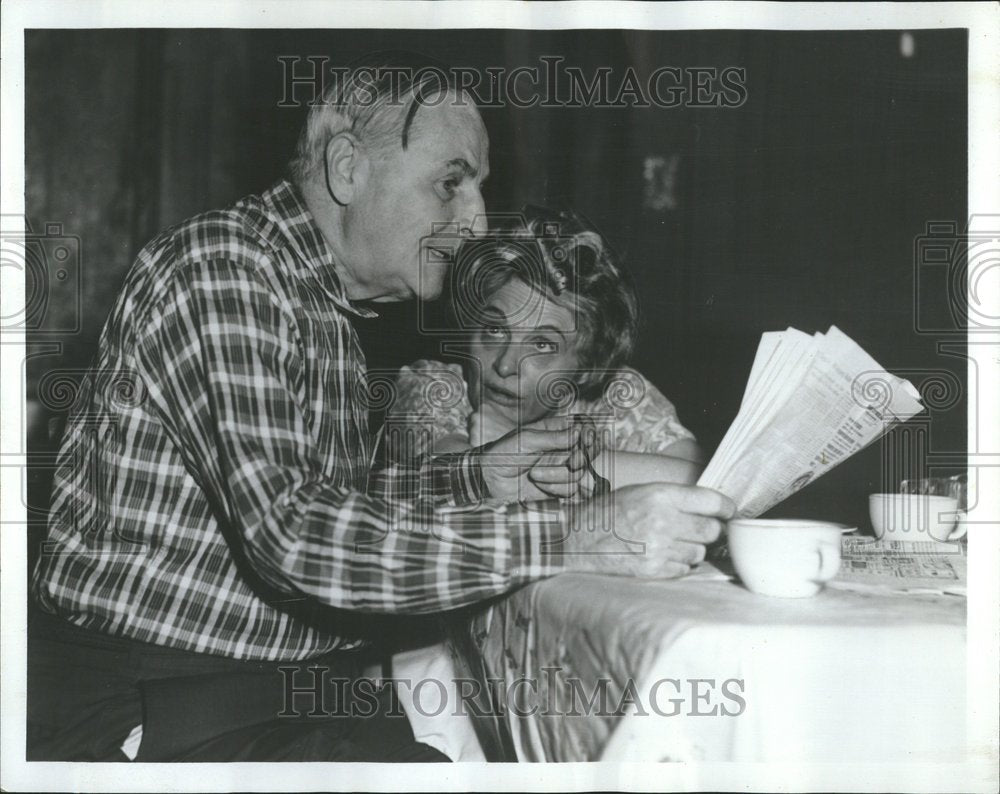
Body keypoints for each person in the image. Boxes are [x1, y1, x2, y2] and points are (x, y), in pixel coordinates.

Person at [28, 52, 734, 762]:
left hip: (255, 693)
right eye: (450, 183)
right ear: (346, 169)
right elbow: (295, 533)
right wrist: (575, 536)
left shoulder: (321, 305)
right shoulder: (224, 268)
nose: (478, 218)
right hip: (155, 705)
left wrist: (477, 477)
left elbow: (343, 503)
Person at [386, 207, 704, 492]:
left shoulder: (616, 395)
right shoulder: (433, 386)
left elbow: (704, 484)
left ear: (587, 365)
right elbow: (459, 481)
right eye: (494, 330)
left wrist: (522, 448)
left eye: (541, 344)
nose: (506, 366)